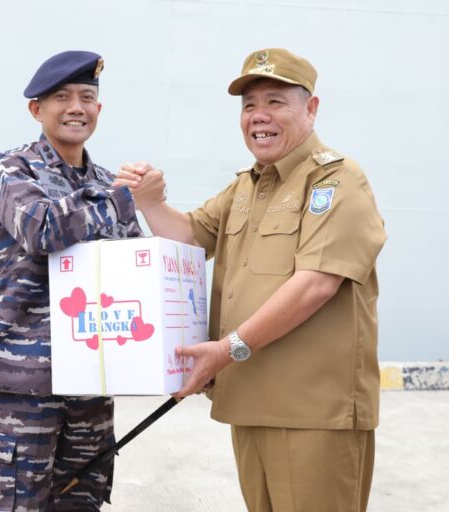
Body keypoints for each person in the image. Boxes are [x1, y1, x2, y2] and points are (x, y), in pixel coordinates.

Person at [117, 48, 386, 512]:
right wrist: (150, 201)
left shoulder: (336, 181)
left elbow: (316, 284)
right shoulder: (246, 186)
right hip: (251, 400)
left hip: (313, 411)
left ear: (311, 108)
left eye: (275, 102)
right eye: (249, 105)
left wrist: (228, 350)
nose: (259, 116)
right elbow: (189, 239)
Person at [0, 50, 142, 511]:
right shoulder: (14, 168)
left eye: (87, 97)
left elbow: (136, 265)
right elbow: (40, 229)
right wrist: (117, 199)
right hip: (30, 377)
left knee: (81, 503)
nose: (76, 107)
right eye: (62, 97)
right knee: (17, 504)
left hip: (94, 378)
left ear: (99, 109)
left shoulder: (110, 182)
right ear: (37, 109)